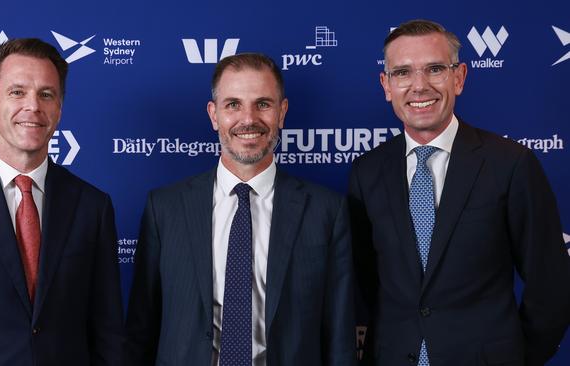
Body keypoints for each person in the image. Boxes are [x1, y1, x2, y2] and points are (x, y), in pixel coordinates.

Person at [348, 19, 570, 366]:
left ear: (459, 77)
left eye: (435, 69)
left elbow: (551, 282)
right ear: (387, 85)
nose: (419, 86)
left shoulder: (511, 164)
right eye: (403, 73)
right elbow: (365, 282)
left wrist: (517, 357)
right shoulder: (367, 171)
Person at [124, 53, 356, 365]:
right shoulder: (164, 208)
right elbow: (141, 329)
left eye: (263, 104)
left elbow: (340, 339)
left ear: (282, 112)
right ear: (214, 114)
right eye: (233, 104)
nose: (248, 119)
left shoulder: (326, 210)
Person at [0, 38, 123, 365]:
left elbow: (108, 335)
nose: (33, 106)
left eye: (46, 94)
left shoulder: (93, 207)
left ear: (59, 108)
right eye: (17, 92)